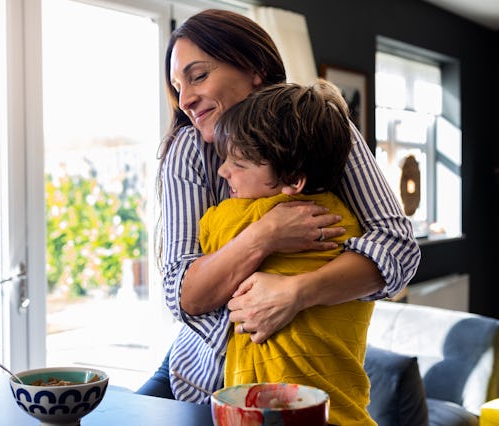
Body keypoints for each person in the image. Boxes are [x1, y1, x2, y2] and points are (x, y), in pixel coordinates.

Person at [136, 8, 420, 405]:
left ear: (253, 68)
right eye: (177, 85)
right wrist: (266, 235)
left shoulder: (322, 128)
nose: (185, 99)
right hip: (198, 381)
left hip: (298, 389)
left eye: (198, 75)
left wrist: (296, 292)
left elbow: (399, 248)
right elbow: (182, 295)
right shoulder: (187, 151)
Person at [200, 80, 374, 425]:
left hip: (272, 413)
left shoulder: (241, 218)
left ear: (294, 180)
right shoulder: (351, 225)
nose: (223, 171)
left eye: (239, 163)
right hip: (343, 411)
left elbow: (204, 240)